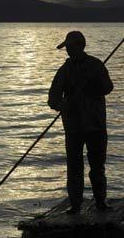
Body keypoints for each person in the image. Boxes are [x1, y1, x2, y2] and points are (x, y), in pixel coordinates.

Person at [48, 31, 114, 214]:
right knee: (74, 168)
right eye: (67, 47)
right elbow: (52, 99)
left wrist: (93, 84)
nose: (68, 50)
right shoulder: (64, 71)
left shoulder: (96, 66)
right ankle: (75, 206)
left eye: (70, 47)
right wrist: (64, 105)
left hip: (96, 126)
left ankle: (101, 202)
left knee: (97, 167)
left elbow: (108, 87)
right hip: (73, 128)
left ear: (80, 46)